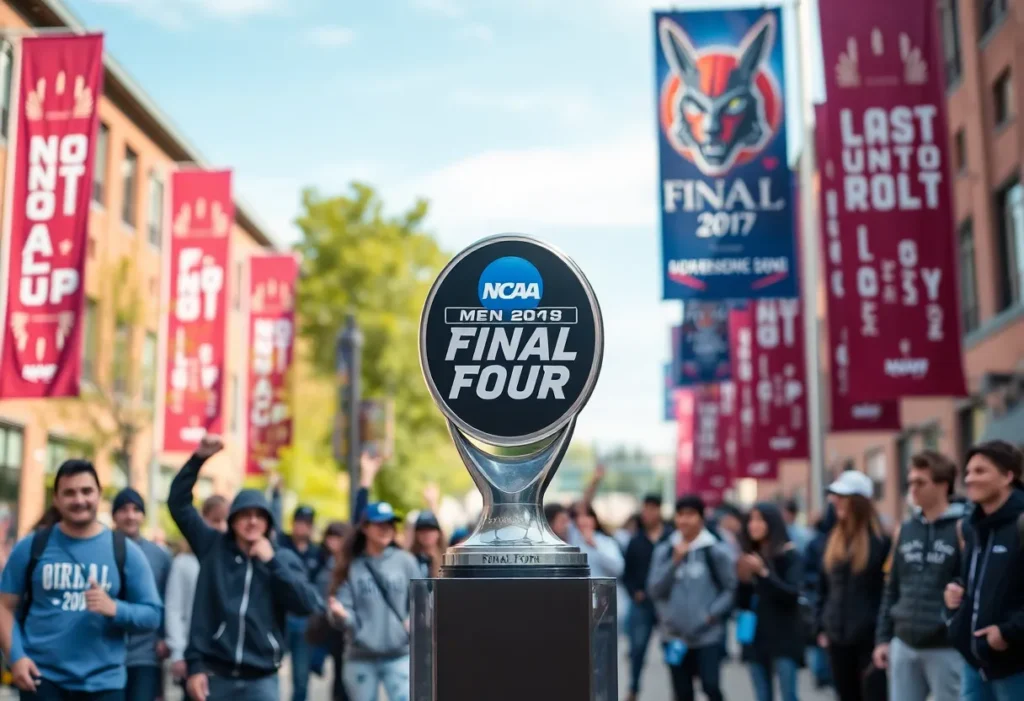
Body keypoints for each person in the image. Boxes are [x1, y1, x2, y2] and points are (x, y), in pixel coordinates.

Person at [169, 435, 324, 701]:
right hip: (215, 675)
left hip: (262, 679)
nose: (252, 521)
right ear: (233, 520)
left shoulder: (281, 559)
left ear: (268, 522)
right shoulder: (213, 547)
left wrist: (272, 562)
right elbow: (179, 504)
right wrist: (198, 459)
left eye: (259, 516)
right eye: (244, 515)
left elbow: (307, 604)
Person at [0, 459, 163, 700]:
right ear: (56, 499)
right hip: (41, 679)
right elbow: (4, 606)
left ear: (99, 495)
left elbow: (153, 615)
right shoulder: (31, 546)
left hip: (104, 684)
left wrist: (115, 608)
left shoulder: (125, 552)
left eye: (87, 491)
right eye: (69, 493)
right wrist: (16, 657)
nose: (79, 500)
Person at [872, 451, 964, 701]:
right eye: (910, 482)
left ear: (943, 484)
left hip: (945, 646)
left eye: (920, 482)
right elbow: (892, 588)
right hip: (904, 642)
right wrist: (883, 639)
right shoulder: (905, 529)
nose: (913, 488)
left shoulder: (963, 527)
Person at [945, 440, 1024, 699]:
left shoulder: (1020, 524)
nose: (969, 479)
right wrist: (954, 596)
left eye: (980, 471)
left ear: (1008, 476)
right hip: (974, 662)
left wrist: (1008, 632)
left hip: (1015, 666)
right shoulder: (972, 526)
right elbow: (973, 582)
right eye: (968, 472)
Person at [327, 502, 421, 701]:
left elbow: (421, 602)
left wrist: (415, 622)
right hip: (361, 656)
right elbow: (342, 610)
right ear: (365, 528)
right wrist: (342, 616)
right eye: (379, 524)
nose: (386, 528)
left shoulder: (406, 561)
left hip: (399, 654)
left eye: (390, 523)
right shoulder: (351, 565)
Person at [648, 494, 737, 701]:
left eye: (690, 515)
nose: (684, 520)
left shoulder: (715, 550)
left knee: (711, 686)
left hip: (708, 636)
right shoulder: (664, 550)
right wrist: (674, 562)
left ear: (701, 517)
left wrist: (711, 615)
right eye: (680, 515)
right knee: (682, 693)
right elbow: (654, 590)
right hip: (674, 637)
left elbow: (730, 589)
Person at [815, 470, 890, 701]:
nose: (835, 501)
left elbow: (887, 592)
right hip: (836, 636)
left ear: (858, 502)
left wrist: (883, 635)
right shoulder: (833, 539)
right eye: (835, 495)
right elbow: (823, 588)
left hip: (868, 638)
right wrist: (820, 626)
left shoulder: (880, 542)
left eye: (842, 496)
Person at [736, 502, 805, 701]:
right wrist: (743, 580)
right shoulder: (749, 556)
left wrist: (763, 573)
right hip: (756, 636)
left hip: (784, 636)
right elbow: (742, 603)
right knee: (762, 696)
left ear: (771, 523)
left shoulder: (789, 554)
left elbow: (791, 595)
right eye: (750, 520)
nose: (753, 525)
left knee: (788, 695)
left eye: (759, 520)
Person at [110, 488, 172, 701]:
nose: (130, 515)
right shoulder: (101, 549)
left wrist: (165, 637)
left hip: (146, 654)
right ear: (114, 515)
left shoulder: (160, 556)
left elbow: (167, 600)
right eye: (124, 510)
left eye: (136, 510)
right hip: (106, 653)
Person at [270, 484, 329, 701]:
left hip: (305, 620)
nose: (303, 527)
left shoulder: (318, 552)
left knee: (301, 677)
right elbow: (272, 522)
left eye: (308, 524)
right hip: (282, 617)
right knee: (269, 669)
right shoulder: (281, 545)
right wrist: (276, 495)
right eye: (300, 522)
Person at [164, 495, 229, 689]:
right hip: (194, 654)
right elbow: (174, 609)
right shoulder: (184, 563)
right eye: (215, 520)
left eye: (226, 521)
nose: (222, 527)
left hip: (224, 658)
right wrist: (178, 651)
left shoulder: (232, 562)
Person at [622, 494, 672, 701]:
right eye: (645, 509)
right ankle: (633, 688)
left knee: (672, 649)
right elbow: (627, 574)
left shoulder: (671, 539)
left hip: (667, 604)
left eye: (652, 509)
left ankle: (679, 688)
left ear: (659, 510)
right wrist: (635, 592)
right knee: (637, 649)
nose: (648, 514)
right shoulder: (636, 541)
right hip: (642, 604)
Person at [409, 511, 444, 578]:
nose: (427, 534)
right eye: (422, 530)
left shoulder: (447, 561)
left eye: (431, 529)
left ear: (439, 532)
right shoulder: (411, 560)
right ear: (416, 534)